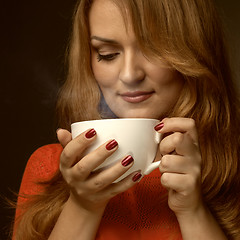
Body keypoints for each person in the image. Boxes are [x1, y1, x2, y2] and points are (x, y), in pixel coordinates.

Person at [12, 0, 240, 239]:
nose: (130, 75)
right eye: (107, 55)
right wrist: (82, 206)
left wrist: (193, 211)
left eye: (153, 49)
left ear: (194, 51)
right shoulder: (47, 168)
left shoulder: (231, 166)